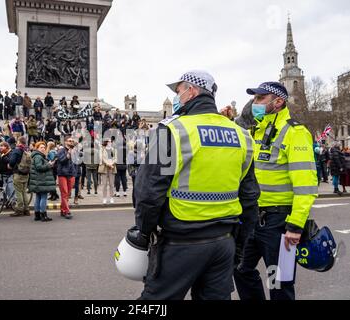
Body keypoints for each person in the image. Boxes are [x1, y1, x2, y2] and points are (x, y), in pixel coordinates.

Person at [132, 70, 258, 300]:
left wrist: (144, 232)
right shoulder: (241, 135)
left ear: (191, 91)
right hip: (223, 243)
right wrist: (239, 245)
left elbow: (148, 192)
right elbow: (250, 197)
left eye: (179, 91)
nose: (177, 97)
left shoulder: (171, 130)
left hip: (181, 242)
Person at [235, 82, 318, 301]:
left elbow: (306, 185)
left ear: (278, 102)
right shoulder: (255, 130)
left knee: (279, 283)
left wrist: (295, 226)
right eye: (254, 99)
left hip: (279, 223)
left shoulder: (295, 132)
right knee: (241, 269)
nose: (255, 103)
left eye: (260, 98)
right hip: (252, 219)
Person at [29, 141, 56, 222]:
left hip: (38, 180)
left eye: (44, 147)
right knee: (43, 197)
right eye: (41, 147)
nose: (43, 149)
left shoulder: (38, 156)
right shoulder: (38, 157)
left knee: (38, 197)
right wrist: (49, 165)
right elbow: (39, 167)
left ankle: (37, 215)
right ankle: (43, 215)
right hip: (41, 180)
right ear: (37, 148)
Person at [8, 136, 31, 217]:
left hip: (18, 173)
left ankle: (19, 210)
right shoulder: (27, 150)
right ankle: (27, 209)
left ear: (19, 142)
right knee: (24, 192)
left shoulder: (17, 150)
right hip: (26, 174)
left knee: (19, 192)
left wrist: (9, 165)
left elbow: (12, 161)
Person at [57, 136, 77, 219]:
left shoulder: (74, 151)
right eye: (69, 141)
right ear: (65, 142)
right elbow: (61, 160)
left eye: (72, 141)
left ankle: (63, 209)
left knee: (67, 194)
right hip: (62, 174)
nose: (71, 142)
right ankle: (67, 211)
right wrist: (68, 154)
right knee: (64, 193)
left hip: (71, 174)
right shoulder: (61, 151)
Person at [99, 139, 117, 205]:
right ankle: (104, 198)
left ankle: (111, 197)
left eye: (110, 141)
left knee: (112, 184)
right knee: (104, 184)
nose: (110, 142)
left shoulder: (114, 149)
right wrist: (108, 164)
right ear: (106, 142)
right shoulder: (102, 149)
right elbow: (102, 158)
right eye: (109, 141)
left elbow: (116, 158)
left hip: (112, 167)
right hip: (105, 167)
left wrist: (112, 164)